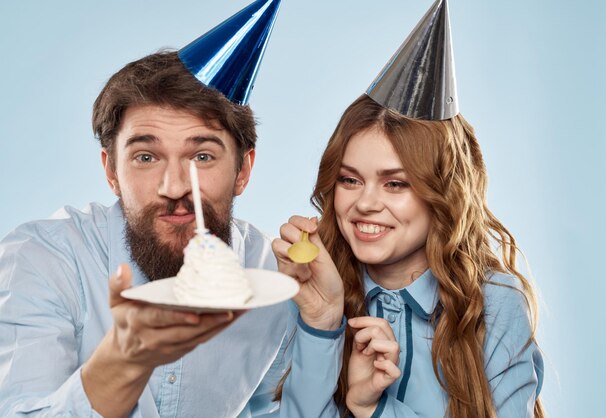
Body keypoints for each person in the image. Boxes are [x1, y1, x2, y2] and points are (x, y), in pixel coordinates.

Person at [0, 1, 342, 416]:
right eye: (146, 157)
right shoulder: (43, 259)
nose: (176, 186)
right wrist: (121, 364)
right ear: (111, 170)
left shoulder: (273, 279)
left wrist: (321, 325)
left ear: (243, 170)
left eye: (202, 156)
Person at [272, 1, 545, 417]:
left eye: (395, 183)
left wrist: (372, 410)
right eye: (349, 180)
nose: (365, 203)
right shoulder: (305, 289)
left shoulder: (494, 303)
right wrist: (322, 323)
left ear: (443, 193)